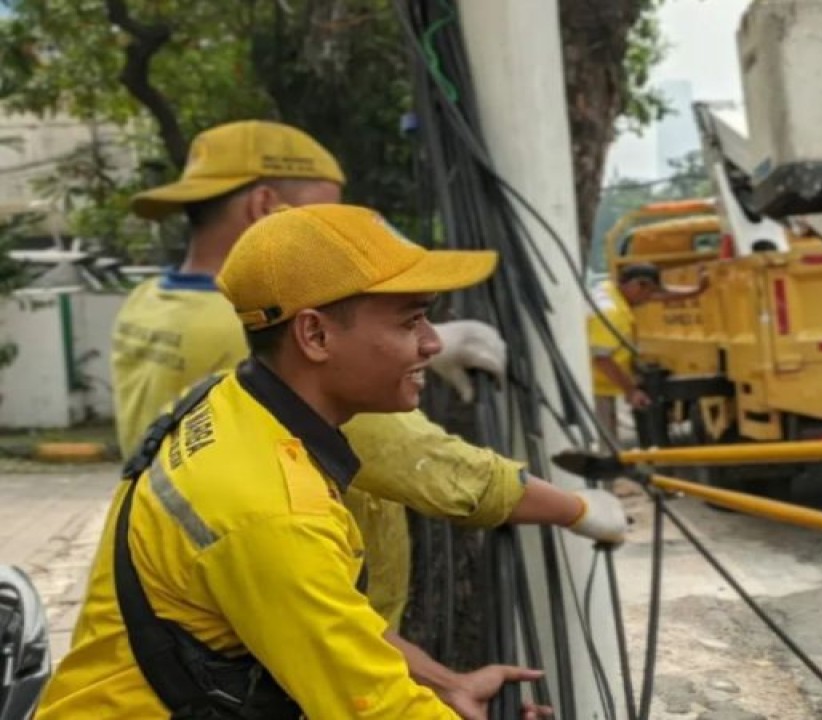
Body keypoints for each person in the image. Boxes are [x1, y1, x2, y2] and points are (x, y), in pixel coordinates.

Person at [37, 204, 557, 719]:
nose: (433, 342)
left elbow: (321, 619)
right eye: (412, 320)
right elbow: (377, 712)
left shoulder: (228, 403)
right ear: (315, 336)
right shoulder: (273, 511)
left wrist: (444, 685)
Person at [110, 120, 627, 631]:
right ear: (265, 208)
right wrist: (579, 508)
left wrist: (408, 341)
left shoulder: (150, 305)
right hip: (300, 616)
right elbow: (420, 461)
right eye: (324, 210)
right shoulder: (251, 334)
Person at [588, 262, 708, 446]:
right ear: (637, 285)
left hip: (600, 385)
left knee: (607, 441)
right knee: (606, 446)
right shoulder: (611, 312)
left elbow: (659, 295)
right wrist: (631, 391)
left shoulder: (610, 290)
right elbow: (602, 359)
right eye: (648, 292)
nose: (649, 299)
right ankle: (603, 473)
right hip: (593, 388)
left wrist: (696, 291)